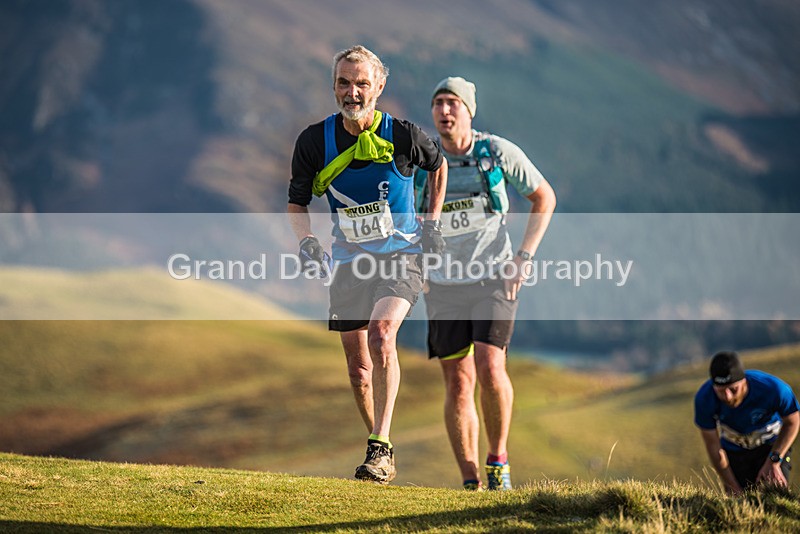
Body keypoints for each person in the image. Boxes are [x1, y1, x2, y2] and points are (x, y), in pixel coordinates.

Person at [287, 45, 447, 484]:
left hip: (403, 254)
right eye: (344, 82)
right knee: (359, 371)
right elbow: (297, 201)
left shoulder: (403, 134)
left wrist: (431, 224)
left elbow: (439, 165)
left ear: (379, 87)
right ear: (334, 86)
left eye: (361, 83)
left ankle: (379, 446)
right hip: (349, 259)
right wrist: (307, 243)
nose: (352, 92)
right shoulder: (314, 142)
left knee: (381, 334)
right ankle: (382, 449)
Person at [414, 77, 556, 490]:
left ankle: (498, 460)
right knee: (458, 382)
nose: (444, 111)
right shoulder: (425, 160)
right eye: (438, 103)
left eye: (452, 103)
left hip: (494, 277)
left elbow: (544, 196)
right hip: (442, 284)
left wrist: (523, 258)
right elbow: (406, 216)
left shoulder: (495, 152)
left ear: (469, 111)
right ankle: (471, 481)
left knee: (491, 367)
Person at [694, 351, 799, 494]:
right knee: (740, 502)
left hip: (771, 447)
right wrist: (731, 485)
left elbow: (793, 422)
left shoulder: (774, 389)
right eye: (721, 391)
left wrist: (774, 460)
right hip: (735, 452)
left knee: (774, 497)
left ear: (744, 381)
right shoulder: (704, 398)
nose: (728, 396)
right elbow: (713, 446)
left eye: (733, 389)